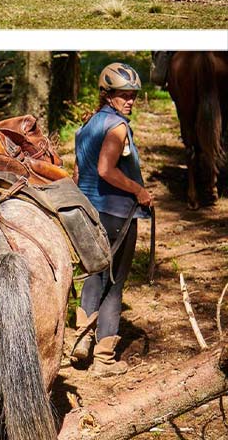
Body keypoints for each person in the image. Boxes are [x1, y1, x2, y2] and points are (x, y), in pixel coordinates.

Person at [72, 62, 152, 376]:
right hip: (116, 213)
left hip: (89, 211)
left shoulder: (89, 124)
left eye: (132, 95)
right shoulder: (117, 127)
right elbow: (106, 170)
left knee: (95, 277)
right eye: (123, 95)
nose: (129, 100)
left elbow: (80, 172)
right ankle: (104, 358)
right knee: (115, 285)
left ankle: (81, 338)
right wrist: (139, 190)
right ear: (108, 95)